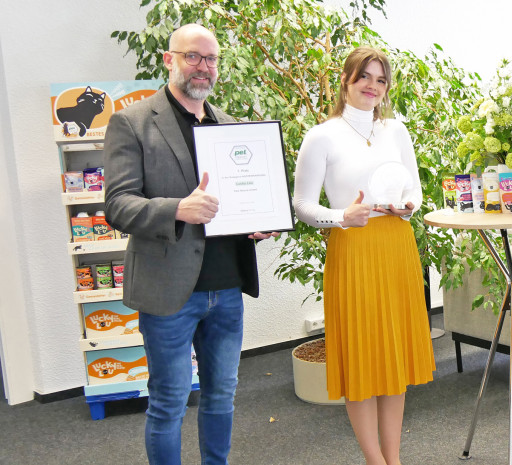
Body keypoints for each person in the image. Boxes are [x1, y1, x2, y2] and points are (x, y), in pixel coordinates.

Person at [104, 24, 277, 464]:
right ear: (169, 60)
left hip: (227, 288)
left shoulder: (231, 127)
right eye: (193, 56)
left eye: (211, 58)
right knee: (168, 403)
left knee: (222, 398)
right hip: (167, 293)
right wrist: (177, 209)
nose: (204, 67)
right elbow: (118, 205)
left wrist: (256, 223)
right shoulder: (133, 122)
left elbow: (239, 201)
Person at [292, 46, 435, 465]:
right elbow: (302, 205)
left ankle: (395, 459)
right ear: (346, 81)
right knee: (361, 361)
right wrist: (341, 216)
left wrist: (409, 205)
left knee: (394, 360)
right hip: (353, 249)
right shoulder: (322, 135)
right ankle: (376, 462)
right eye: (364, 77)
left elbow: (415, 190)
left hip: (396, 248)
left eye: (380, 79)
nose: (372, 86)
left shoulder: (396, 130)